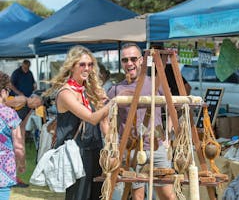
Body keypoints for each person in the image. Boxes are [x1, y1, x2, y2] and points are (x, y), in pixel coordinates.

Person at [107, 43, 176, 200]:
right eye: (125, 60)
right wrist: (112, 146)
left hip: (157, 146)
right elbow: (106, 120)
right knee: (137, 196)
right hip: (131, 150)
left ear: (141, 60)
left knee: (168, 195)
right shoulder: (116, 90)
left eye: (133, 59)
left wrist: (168, 137)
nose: (129, 63)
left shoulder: (155, 83)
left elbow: (172, 107)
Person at [43, 45, 111, 200]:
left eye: (90, 64)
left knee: (98, 196)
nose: (87, 68)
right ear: (72, 66)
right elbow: (92, 118)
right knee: (78, 196)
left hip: (95, 149)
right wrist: (113, 103)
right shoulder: (66, 93)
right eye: (82, 64)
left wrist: (111, 147)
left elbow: (103, 121)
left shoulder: (90, 90)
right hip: (76, 153)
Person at [0, 71, 26, 199]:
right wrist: (21, 163)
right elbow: (18, 146)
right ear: (4, 91)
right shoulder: (9, 114)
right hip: (4, 167)